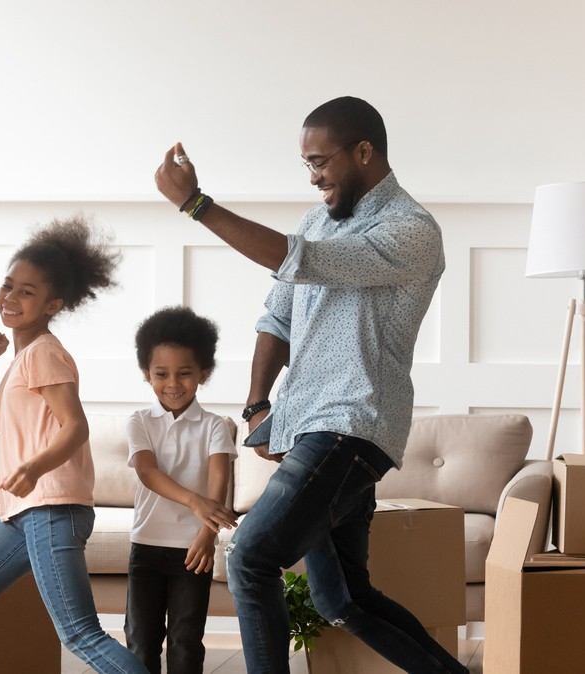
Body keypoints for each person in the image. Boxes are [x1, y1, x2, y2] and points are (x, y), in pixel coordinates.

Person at [154, 96, 463, 674]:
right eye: (307, 165)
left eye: (321, 161)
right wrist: (256, 407)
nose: (314, 176)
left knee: (250, 557)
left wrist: (196, 205)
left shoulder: (412, 230)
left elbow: (304, 261)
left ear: (364, 151)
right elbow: (278, 318)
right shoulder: (317, 220)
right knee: (342, 598)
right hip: (308, 425)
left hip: (352, 425)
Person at [0, 216, 147, 674]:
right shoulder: (21, 360)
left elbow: (76, 426)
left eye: (26, 292)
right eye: (8, 286)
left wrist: (33, 467)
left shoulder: (45, 353)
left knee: (80, 634)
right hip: (21, 513)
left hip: (51, 507)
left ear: (53, 304)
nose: (11, 298)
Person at [124, 306, 238, 674]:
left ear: (203, 374)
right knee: (140, 638)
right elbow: (146, 472)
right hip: (146, 545)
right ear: (147, 375)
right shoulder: (139, 422)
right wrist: (194, 501)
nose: (173, 383)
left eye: (184, 373)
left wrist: (207, 534)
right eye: (161, 374)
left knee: (186, 641)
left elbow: (219, 482)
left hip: (194, 550)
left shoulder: (215, 425)